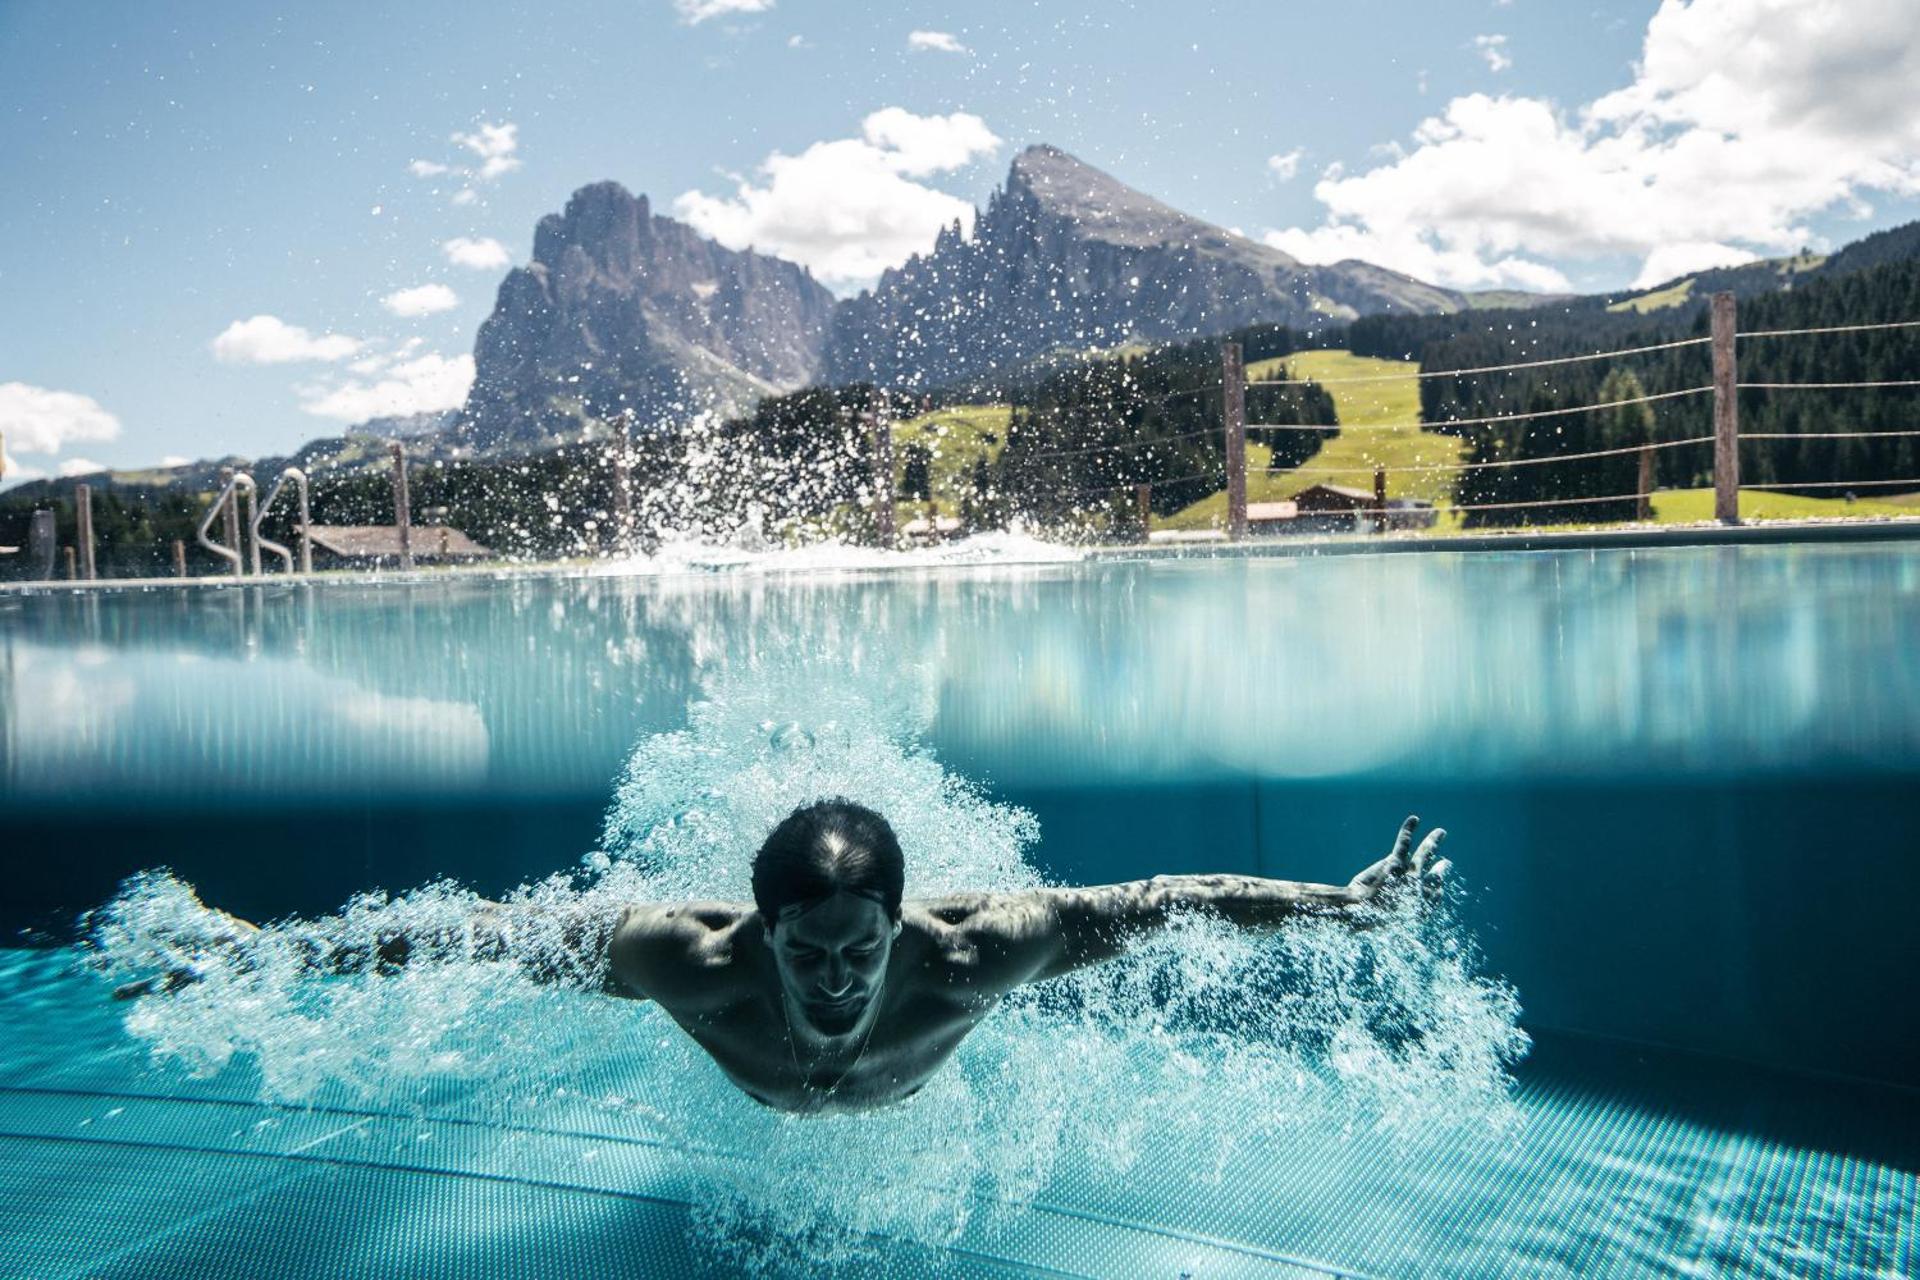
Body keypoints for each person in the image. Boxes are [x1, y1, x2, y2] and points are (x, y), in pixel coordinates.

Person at [114, 799, 1450, 1114]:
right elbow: (471, 937)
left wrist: (1343, 906)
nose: (836, 979)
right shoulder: (687, 961)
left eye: (861, 948)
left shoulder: (973, 956)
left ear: (903, 926)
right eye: (806, 952)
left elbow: (1162, 901)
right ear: (761, 932)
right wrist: (269, 958)